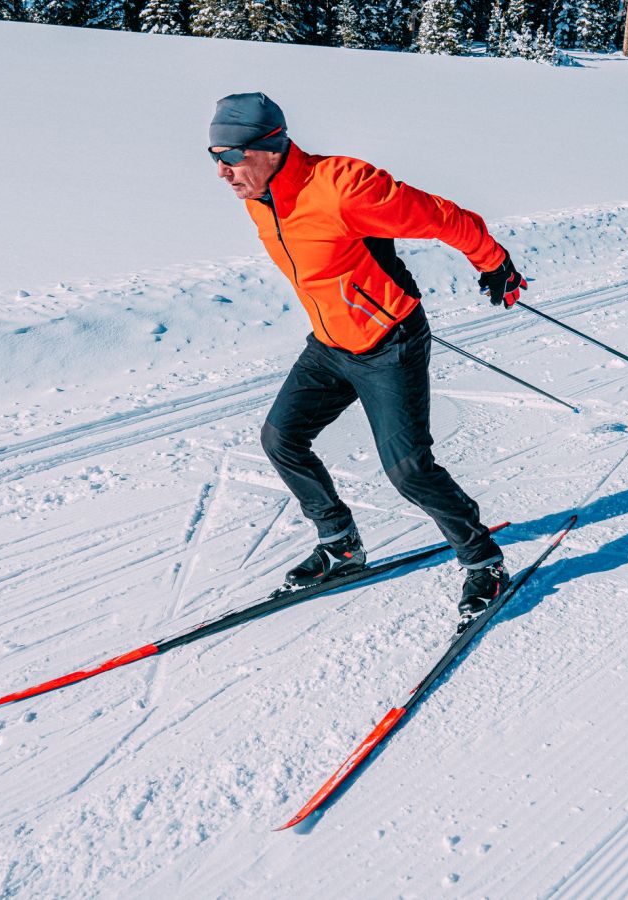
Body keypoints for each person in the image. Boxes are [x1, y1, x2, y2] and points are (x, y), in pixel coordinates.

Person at [208, 92, 528, 624]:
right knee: (281, 438)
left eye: (232, 155)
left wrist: (494, 262)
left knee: (409, 470)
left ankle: (485, 562)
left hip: (389, 344)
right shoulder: (258, 194)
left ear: (272, 146)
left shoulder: (343, 187)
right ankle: (341, 545)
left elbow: (446, 217)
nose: (222, 171)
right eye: (212, 155)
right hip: (329, 344)